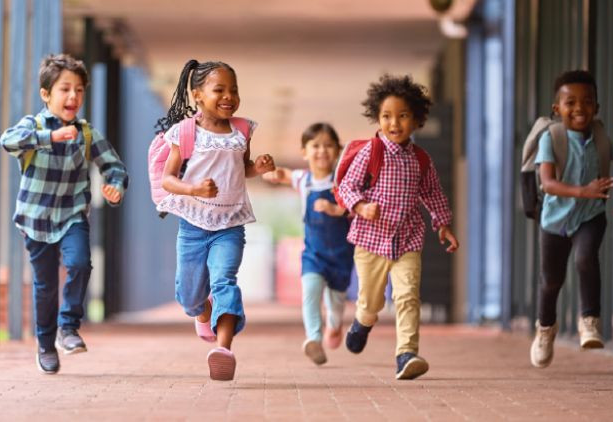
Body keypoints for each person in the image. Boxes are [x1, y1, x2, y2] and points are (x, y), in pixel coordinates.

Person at [0, 54, 128, 374]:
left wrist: (115, 187)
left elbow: (114, 168)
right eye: (65, 89)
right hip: (36, 218)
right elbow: (8, 141)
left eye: (80, 90)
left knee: (80, 262)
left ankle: (67, 328)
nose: (73, 96)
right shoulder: (34, 125)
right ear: (46, 94)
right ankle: (45, 345)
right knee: (45, 286)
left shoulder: (86, 133)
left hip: (72, 214)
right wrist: (49, 138)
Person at [157, 60, 275, 380]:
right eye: (218, 90)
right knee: (189, 295)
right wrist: (193, 188)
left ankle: (224, 349)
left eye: (233, 90)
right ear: (197, 94)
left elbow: (243, 168)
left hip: (230, 225)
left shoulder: (242, 130)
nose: (228, 96)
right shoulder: (184, 133)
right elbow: (168, 178)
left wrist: (259, 169)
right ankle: (202, 311)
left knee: (225, 280)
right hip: (193, 225)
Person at [337, 74, 458, 380]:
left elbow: (432, 192)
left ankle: (406, 353)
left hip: (407, 238)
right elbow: (349, 185)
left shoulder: (420, 158)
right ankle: (362, 322)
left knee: (407, 296)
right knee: (372, 301)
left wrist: (442, 224)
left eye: (403, 116)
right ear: (377, 119)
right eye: (387, 116)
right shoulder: (371, 152)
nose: (394, 123)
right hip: (371, 241)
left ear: (417, 120)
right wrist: (362, 206)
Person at [530, 70, 613, 368]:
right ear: (557, 108)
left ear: (597, 107)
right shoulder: (552, 138)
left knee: (585, 259)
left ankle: (589, 321)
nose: (579, 108)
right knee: (551, 281)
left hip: (590, 217)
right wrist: (585, 190)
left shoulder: (602, 139)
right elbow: (548, 183)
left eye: (587, 101)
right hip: (555, 220)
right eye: (571, 102)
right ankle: (546, 329)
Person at [263, 123, 353, 365]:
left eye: (328, 146)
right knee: (310, 293)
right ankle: (313, 339)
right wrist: (272, 172)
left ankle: (334, 325)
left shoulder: (343, 182)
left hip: (342, 256)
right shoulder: (304, 179)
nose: (322, 151)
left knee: (336, 303)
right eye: (315, 146)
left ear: (337, 150)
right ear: (304, 151)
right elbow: (284, 174)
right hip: (314, 254)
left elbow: (355, 208)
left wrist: (336, 209)